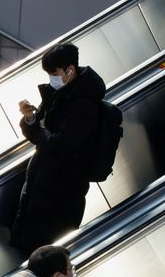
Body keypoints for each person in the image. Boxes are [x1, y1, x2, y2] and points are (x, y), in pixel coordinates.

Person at [11, 43, 105, 256]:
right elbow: (42, 136)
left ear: (70, 70)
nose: (51, 78)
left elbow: (57, 145)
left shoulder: (84, 106)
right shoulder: (58, 94)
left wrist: (38, 131)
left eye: (54, 73)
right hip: (42, 186)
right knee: (32, 251)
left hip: (60, 194)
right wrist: (30, 118)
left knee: (45, 256)